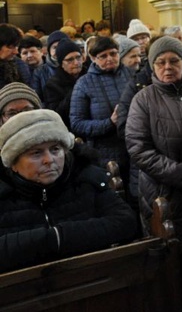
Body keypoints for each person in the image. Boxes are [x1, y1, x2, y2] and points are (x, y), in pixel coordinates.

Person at [126, 36, 182, 310]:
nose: (168, 67)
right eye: (160, 62)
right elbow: (139, 148)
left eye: (174, 60)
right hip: (165, 193)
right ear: (152, 66)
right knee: (175, 263)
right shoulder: (144, 99)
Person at [0, 109, 137, 273]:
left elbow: (125, 222)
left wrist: (61, 235)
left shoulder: (85, 179)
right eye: (36, 153)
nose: (49, 160)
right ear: (13, 163)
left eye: (55, 149)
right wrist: (52, 239)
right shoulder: (4, 196)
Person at [69, 36, 133, 192]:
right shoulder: (84, 83)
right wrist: (109, 122)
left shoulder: (132, 76)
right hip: (104, 153)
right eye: (103, 56)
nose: (109, 59)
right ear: (92, 58)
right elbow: (77, 123)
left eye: (113, 53)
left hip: (134, 149)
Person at [43, 39, 85, 128]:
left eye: (78, 57)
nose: (76, 63)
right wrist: (76, 90)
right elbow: (56, 115)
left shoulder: (89, 75)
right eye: (70, 60)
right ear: (61, 63)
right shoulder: (52, 85)